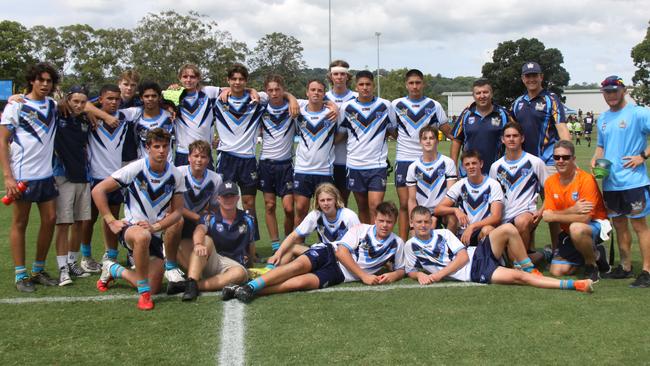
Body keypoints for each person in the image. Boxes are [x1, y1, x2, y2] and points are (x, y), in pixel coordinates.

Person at [222, 202, 405, 303]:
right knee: (296, 267)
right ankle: (251, 286)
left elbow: (401, 269)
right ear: (375, 219)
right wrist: (364, 276)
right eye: (381, 221)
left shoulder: (397, 243)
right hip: (329, 253)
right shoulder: (361, 229)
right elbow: (341, 253)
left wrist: (394, 275)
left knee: (300, 283)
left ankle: (242, 290)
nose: (384, 225)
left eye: (389, 222)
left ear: (395, 222)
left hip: (340, 274)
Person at [93, 128, 185, 310]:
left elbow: (177, 212)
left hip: (154, 234)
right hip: (132, 230)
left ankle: (112, 269)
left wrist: (156, 227)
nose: (161, 151)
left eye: (165, 146)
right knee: (142, 236)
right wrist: (111, 220)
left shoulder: (176, 175)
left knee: (156, 288)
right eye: (156, 146)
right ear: (147, 148)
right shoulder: (136, 168)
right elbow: (98, 190)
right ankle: (144, 296)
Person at [405, 206, 593, 292]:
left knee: (509, 229)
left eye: (426, 222)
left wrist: (437, 276)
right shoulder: (410, 246)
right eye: (419, 222)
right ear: (412, 224)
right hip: (476, 272)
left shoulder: (443, 234)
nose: (423, 225)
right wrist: (419, 275)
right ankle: (574, 285)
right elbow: (410, 270)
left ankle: (529, 267)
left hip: (477, 253)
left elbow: (462, 257)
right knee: (520, 279)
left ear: (432, 222)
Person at [0, 62, 60, 292]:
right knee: (20, 222)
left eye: (49, 81)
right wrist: (8, 177)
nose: (45, 84)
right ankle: (20, 275)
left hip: (46, 175)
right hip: (23, 175)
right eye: (41, 80)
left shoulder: (53, 105)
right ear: (32, 81)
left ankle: (38, 270)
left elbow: (82, 104)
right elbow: (3, 142)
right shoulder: (16, 106)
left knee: (50, 219)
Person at [591, 75, 650, 287]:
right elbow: (601, 145)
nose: (611, 95)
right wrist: (596, 158)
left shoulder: (638, 112)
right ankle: (626, 267)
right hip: (611, 183)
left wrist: (642, 156)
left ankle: (647, 271)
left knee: (639, 226)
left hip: (634, 181)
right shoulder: (604, 118)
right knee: (619, 225)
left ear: (623, 91)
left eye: (615, 91)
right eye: (607, 92)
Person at [82, 85, 134, 268]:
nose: (113, 102)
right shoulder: (91, 116)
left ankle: (110, 255)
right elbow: (82, 104)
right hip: (94, 177)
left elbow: (150, 104)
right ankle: (86, 256)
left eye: (117, 99)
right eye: (109, 98)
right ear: (101, 99)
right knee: (89, 218)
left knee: (112, 217)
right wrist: (103, 115)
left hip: (115, 178)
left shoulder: (126, 116)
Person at [393, 69, 449, 240]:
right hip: (404, 160)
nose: (415, 86)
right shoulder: (396, 104)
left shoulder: (434, 105)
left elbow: (448, 130)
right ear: (406, 85)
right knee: (405, 204)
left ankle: (438, 242)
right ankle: (403, 244)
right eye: (411, 83)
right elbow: (392, 130)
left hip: (428, 161)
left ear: (423, 84)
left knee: (429, 204)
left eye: (418, 83)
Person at [543, 140, 609, 283]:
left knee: (576, 228)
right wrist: (572, 210)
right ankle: (597, 254)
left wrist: (556, 215)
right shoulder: (550, 182)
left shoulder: (586, 179)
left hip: (595, 224)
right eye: (557, 157)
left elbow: (585, 218)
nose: (560, 161)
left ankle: (591, 266)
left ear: (573, 159)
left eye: (565, 157)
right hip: (569, 230)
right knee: (557, 271)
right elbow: (548, 216)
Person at [164, 139, 222, 294]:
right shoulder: (178, 173)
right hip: (179, 218)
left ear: (209, 160)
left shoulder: (215, 179)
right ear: (188, 157)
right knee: (177, 220)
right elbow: (172, 207)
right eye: (195, 156)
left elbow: (214, 207)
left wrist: (208, 218)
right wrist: (197, 217)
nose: (199, 160)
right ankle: (169, 261)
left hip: (197, 223)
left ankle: (192, 275)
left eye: (203, 157)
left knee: (198, 259)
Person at [180, 180, 254, 301]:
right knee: (206, 240)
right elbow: (199, 229)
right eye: (225, 196)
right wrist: (198, 244)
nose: (228, 199)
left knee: (240, 273)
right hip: (215, 261)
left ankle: (190, 286)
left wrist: (251, 266)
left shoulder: (248, 219)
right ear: (218, 199)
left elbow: (251, 245)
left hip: (233, 266)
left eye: (232, 196)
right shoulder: (210, 218)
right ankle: (192, 281)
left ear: (238, 198)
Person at [339, 70, 396, 224]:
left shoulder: (385, 105)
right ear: (356, 86)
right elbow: (340, 134)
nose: (365, 87)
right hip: (355, 165)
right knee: (362, 206)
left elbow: (394, 131)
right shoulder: (347, 107)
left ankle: (376, 241)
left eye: (368, 84)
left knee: (375, 206)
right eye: (361, 84)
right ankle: (366, 240)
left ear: (373, 86)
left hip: (377, 165)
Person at [52, 86, 94, 285]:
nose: (78, 105)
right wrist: (17, 97)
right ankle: (62, 269)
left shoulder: (85, 119)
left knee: (80, 222)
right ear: (67, 100)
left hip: (83, 176)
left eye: (82, 102)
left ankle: (72, 263)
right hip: (63, 176)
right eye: (75, 101)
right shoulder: (57, 113)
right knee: (63, 224)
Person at [489, 122, 547, 261]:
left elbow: (549, 191)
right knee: (509, 261)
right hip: (504, 217)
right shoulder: (495, 167)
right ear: (503, 139)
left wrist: (541, 212)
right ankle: (543, 255)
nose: (511, 139)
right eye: (508, 136)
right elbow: (492, 196)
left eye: (515, 136)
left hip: (526, 215)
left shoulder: (535, 162)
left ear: (522, 138)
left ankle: (521, 260)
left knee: (521, 221)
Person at [266, 183, 360, 267]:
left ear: (336, 200)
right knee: (292, 248)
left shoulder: (349, 216)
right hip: (324, 253)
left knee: (298, 255)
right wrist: (277, 254)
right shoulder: (316, 215)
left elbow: (360, 240)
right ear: (317, 202)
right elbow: (294, 236)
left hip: (346, 257)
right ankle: (269, 271)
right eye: (322, 200)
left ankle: (270, 272)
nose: (326, 203)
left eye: (329, 200)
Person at [259, 75, 297, 252]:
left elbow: (321, 98)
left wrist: (291, 98)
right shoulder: (260, 107)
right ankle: (275, 244)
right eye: (270, 90)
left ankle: (288, 243)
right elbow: (246, 92)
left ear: (283, 89)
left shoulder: (294, 107)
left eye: (277, 89)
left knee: (289, 208)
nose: (274, 93)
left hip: (286, 165)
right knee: (270, 205)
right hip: (266, 164)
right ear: (266, 91)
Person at [510, 62, 570, 174]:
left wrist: (569, 157)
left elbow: (562, 130)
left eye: (534, 75)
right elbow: (510, 129)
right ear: (523, 78)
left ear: (541, 77)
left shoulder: (551, 99)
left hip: (549, 163)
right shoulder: (517, 103)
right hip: (525, 164)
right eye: (528, 76)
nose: (531, 79)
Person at [293, 79, 338, 224]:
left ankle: (326, 244)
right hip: (302, 169)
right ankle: (298, 244)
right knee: (300, 208)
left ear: (324, 94)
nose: (316, 93)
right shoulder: (298, 110)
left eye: (319, 90)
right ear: (307, 92)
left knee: (326, 211)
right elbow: (283, 95)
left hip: (324, 170)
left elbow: (341, 133)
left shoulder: (333, 113)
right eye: (313, 89)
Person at [436, 150, 504, 246]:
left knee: (488, 230)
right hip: (463, 233)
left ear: (481, 164)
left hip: (481, 230)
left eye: (474, 163)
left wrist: (472, 226)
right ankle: (450, 251)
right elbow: (438, 209)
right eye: (467, 164)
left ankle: (487, 259)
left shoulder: (493, 185)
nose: (471, 167)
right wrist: (455, 210)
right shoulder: (460, 184)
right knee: (451, 218)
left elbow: (496, 217)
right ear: (463, 167)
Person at [450, 78, 510, 176]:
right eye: (478, 93)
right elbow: (457, 140)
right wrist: (453, 167)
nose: (482, 96)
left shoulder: (503, 114)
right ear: (473, 96)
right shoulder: (466, 114)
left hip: (496, 172)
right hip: (468, 173)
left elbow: (515, 138)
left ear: (491, 94)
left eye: (485, 92)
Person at [406, 126, 457, 231]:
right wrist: (412, 225)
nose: (428, 141)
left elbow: (451, 195)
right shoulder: (413, 167)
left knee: (452, 220)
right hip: (422, 212)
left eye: (431, 138)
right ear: (420, 142)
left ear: (437, 141)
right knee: (415, 239)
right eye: (425, 138)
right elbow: (411, 200)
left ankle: (449, 247)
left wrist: (436, 214)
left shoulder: (448, 163)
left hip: (443, 210)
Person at [174, 64, 219, 169]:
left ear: (198, 78)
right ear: (179, 78)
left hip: (204, 153)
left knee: (207, 184)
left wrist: (251, 91)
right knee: (182, 184)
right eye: (185, 77)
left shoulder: (209, 92)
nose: (188, 80)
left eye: (192, 77)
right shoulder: (173, 95)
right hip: (183, 152)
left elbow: (234, 89)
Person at [325, 60, 357, 206]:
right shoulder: (322, 96)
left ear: (347, 76)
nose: (339, 77)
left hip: (348, 158)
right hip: (325, 160)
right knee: (325, 200)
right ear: (330, 76)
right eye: (335, 74)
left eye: (342, 74)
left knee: (343, 200)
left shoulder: (357, 97)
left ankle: (344, 229)